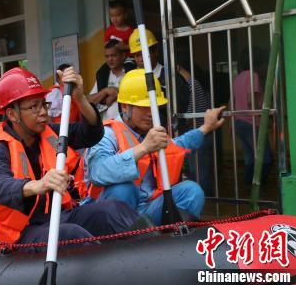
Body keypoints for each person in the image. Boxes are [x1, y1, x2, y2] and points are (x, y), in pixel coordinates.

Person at [0, 67, 139, 245]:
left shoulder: (50, 133)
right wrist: (40, 184)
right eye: (34, 107)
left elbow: (91, 133)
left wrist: (80, 97)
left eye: (43, 104)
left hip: (56, 216)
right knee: (71, 234)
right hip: (20, 231)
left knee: (113, 210)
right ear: (12, 114)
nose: (43, 112)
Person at [83, 69, 225, 225]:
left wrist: (205, 127)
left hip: (148, 208)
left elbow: (178, 144)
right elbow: (98, 172)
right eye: (144, 107)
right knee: (123, 188)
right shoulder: (106, 134)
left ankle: (168, 240)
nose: (151, 113)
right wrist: (143, 148)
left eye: (154, 107)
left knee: (192, 191)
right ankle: (122, 242)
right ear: (124, 107)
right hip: (112, 213)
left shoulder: (149, 132)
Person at [175, 54, 214, 196]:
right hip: (203, 133)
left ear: (178, 67)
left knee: (199, 173)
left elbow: (190, 112)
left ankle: (207, 202)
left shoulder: (191, 84)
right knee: (201, 171)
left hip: (198, 133)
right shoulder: (198, 82)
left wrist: (178, 123)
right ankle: (209, 200)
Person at [233, 50, 273, 186]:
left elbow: (234, 101)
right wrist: (264, 109)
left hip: (239, 122)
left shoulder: (237, 77)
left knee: (249, 158)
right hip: (252, 122)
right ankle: (258, 186)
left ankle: (247, 186)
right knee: (266, 158)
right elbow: (251, 100)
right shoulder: (253, 75)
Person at [88, 39, 135, 120]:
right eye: (107, 56)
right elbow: (88, 101)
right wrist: (105, 91)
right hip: (108, 127)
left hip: (129, 126)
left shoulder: (132, 72)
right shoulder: (103, 75)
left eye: (113, 55)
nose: (110, 59)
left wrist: (116, 94)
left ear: (123, 55)